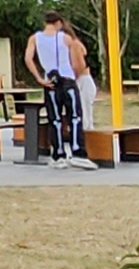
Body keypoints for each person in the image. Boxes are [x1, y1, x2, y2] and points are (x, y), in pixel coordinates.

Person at [27, 12, 94, 162]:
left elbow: (28, 58)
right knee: (74, 117)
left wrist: (39, 78)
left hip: (50, 81)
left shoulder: (35, 38)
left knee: (55, 119)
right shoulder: (66, 38)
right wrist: (74, 76)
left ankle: (58, 154)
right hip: (67, 79)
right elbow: (77, 63)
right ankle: (78, 151)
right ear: (58, 23)